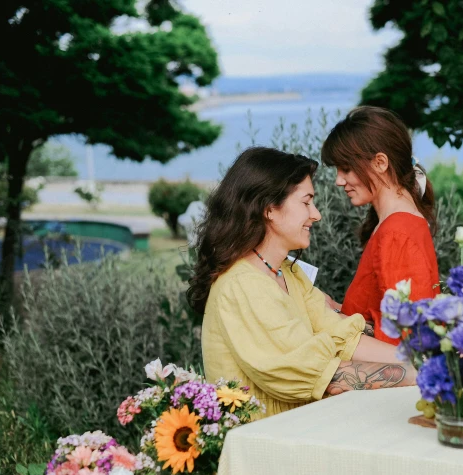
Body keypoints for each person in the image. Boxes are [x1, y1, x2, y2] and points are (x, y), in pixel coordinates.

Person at [188, 147, 415, 419]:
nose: (316, 214)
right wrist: (428, 375)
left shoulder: (287, 273)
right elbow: (323, 374)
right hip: (263, 444)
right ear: (269, 209)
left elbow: (346, 339)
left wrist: (425, 361)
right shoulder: (242, 286)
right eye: (306, 202)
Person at [321, 106, 440, 344]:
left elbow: (405, 337)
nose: (338, 180)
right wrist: (331, 308)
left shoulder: (397, 233)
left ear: (380, 162)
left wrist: (333, 318)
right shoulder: (392, 225)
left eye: (345, 169)